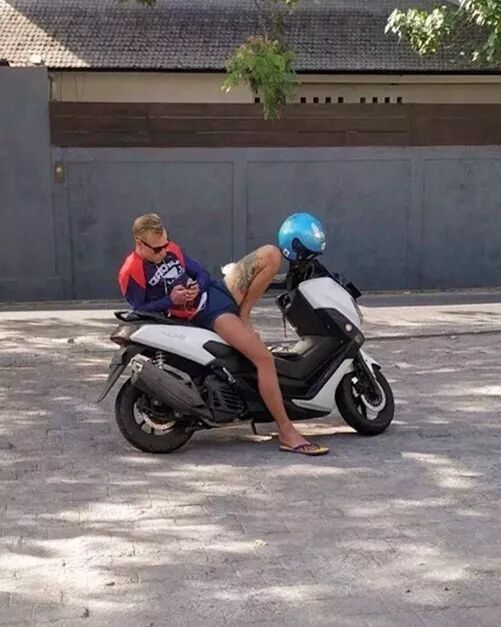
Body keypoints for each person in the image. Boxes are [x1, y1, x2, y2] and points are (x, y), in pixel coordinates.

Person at [118, 213, 329, 456]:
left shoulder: (171, 249)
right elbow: (139, 310)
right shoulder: (131, 271)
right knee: (264, 359)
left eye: (166, 244)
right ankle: (286, 431)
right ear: (140, 244)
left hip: (218, 291)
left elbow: (201, 272)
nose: (164, 251)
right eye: (158, 249)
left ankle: (244, 315)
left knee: (271, 254)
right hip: (207, 314)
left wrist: (197, 285)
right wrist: (170, 300)